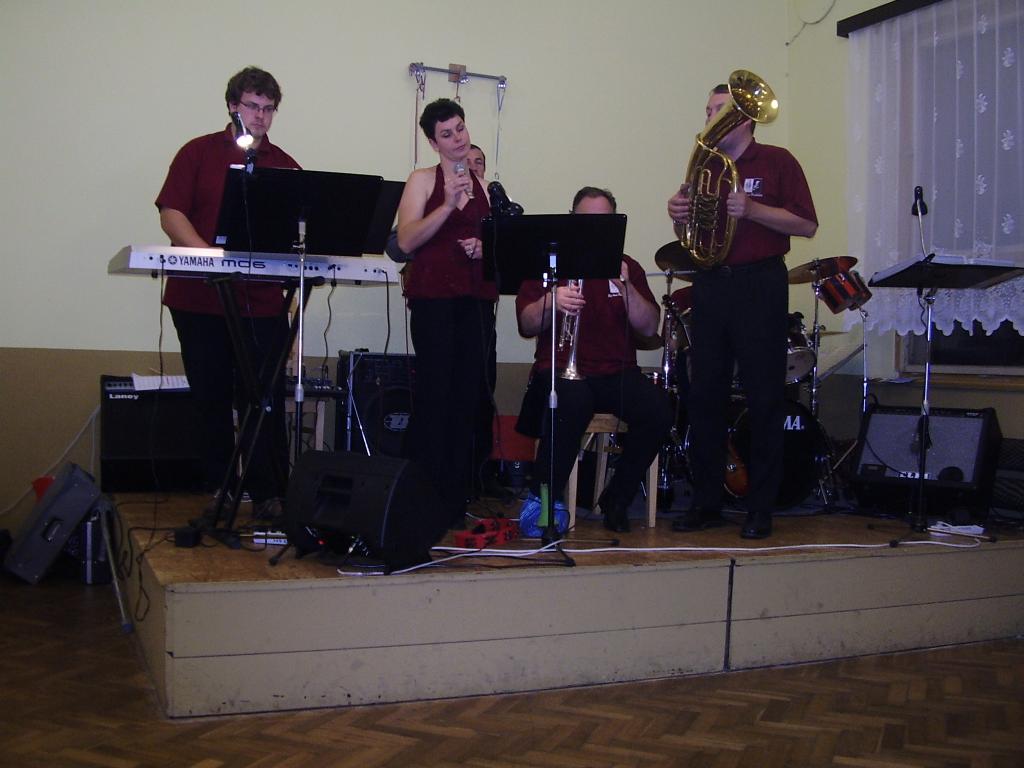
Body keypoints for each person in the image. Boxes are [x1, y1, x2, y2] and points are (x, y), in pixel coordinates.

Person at [666, 83, 817, 539]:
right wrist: (678, 214)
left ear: (744, 117)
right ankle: (706, 502)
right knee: (704, 396)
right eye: (707, 110)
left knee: (764, 397)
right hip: (711, 283)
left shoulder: (777, 160)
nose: (709, 118)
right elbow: (694, 233)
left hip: (759, 284)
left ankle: (760, 509)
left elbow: (807, 224)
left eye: (718, 110)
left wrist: (752, 209)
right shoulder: (707, 167)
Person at [156, 66, 300, 519]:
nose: (260, 116)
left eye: (268, 109)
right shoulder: (197, 152)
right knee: (211, 399)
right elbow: (171, 213)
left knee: (263, 399)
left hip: (261, 303)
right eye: (252, 106)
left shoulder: (284, 164)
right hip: (199, 299)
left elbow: (298, 228)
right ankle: (219, 490)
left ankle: (268, 494)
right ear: (233, 106)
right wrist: (209, 258)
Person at [516, 187, 673, 533]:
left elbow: (650, 327)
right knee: (571, 403)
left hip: (617, 372)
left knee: (659, 409)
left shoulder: (628, 266)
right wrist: (552, 300)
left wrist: (627, 288)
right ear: (571, 219)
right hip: (559, 369)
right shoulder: (548, 263)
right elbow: (526, 325)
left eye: (603, 222)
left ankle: (617, 498)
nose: (593, 228)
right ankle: (544, 502)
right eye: (586, 220)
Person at [397, 99, 496, 529]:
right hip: (435, 300)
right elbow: (405, 240)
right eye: (447, 134)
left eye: (460, 129)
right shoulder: (422, 180)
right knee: (435, 396)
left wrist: (485, 247)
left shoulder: (484, 184)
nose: (458, 139)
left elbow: (500, 244)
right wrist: (446, 206)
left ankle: (455, 500)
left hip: (476, 301)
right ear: (433, 142)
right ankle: (421, 496)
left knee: (467, 399)